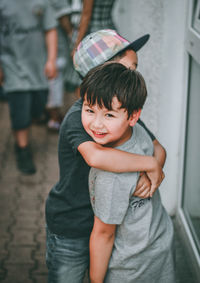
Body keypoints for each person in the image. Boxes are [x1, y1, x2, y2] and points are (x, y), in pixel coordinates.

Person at [45, 29, 166, 283]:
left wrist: (150, 174)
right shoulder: (80, 117)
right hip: (73, 224)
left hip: (106, 223)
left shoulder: (121, 111)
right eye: (128, 68)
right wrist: (148, 164)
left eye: (135, 68)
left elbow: (158, 147)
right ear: (101, 73)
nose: (133, 76)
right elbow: (96, 157)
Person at [80, 62, 175, 283]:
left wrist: (95, 281)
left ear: (133, 116)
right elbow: (159, 149)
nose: (96, 123)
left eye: (109, 115)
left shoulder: (109, 177)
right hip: (160, 241)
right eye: (89, 110)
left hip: (130, 267)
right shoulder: (136, 131)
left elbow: (104, 235)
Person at [0, 0, 57, 174]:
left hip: (37, 66)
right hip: (12, 64)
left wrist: (51, 60)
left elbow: (50, 30)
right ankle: (22, 148)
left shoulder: (43, 3)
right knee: (20, 109)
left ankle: (27, 121)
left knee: (37, 107)